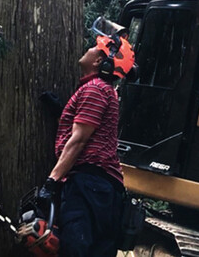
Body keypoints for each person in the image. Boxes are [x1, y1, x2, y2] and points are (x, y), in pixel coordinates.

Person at [38, 20, 135, 257]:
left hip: (89, 183)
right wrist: (62, 113)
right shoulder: (103, 91)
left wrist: (52, 180)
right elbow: (90, 132)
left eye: (94, 47)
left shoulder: (95, 89)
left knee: (74, 247)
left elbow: (79, 140)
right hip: (104, 188)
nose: (89, 48)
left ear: (99, 61)